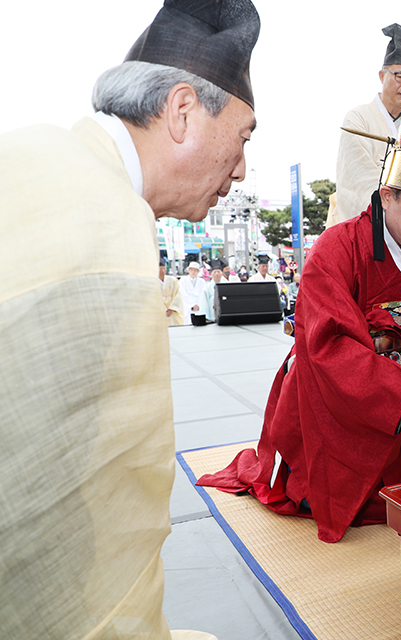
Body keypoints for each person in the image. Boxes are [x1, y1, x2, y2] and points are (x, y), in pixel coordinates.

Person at [0, 1, 260, 637]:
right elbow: (86, 516)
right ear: (181, 112)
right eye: (244, 136)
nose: (244, 167)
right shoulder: (111, 227)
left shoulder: (35, 153)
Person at [197, 113, 401, 543]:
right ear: (387, 196)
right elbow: (327, 345)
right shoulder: (337, 249)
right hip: (334, 392)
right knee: (330, 492)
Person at [326, 24, 401, 226]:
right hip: (365, 225)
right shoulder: (358, 119)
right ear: (382, 75)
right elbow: (358, 180)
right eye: (400, 76)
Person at [200, 257, 228, 323]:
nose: (217, 274)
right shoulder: (207, 287)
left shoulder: (226, 285)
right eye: (215, 272)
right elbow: (204, 303)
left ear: (222, 273)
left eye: (218, 272)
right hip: (211, 315)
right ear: (211, 274)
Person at [161, 258, 185, 326]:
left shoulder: (173, 280)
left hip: (173, 311)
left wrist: (171, 309)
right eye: (160, 269)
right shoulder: (153, 282)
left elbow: (178, 295)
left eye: (164, 269)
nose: (162, 271)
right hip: (160, 312)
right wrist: (164, 310)